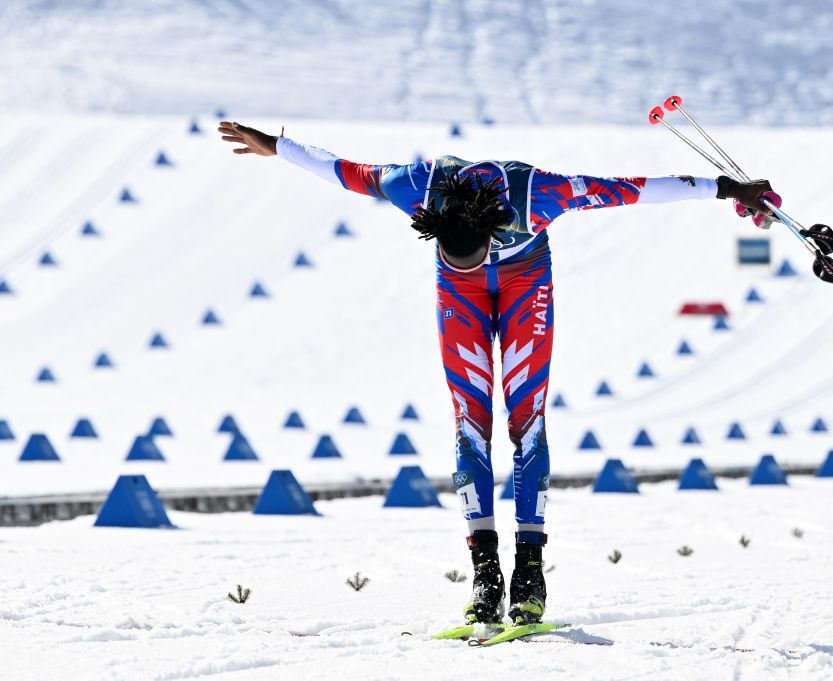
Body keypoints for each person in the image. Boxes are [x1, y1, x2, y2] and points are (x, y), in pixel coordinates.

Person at [218, 120, 779, 626]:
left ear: (493, 231)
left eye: (476, 253)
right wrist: (275, 147)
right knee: (470, 422)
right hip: (459, 294)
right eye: (454, 254)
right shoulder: (415, 185)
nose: (472, 261)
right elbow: (340, 169)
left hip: (524, 281)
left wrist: (729, 189)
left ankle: (529, 573)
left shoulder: (537, 193)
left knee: (526, 420)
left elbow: (635, 188)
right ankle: (485, 575)